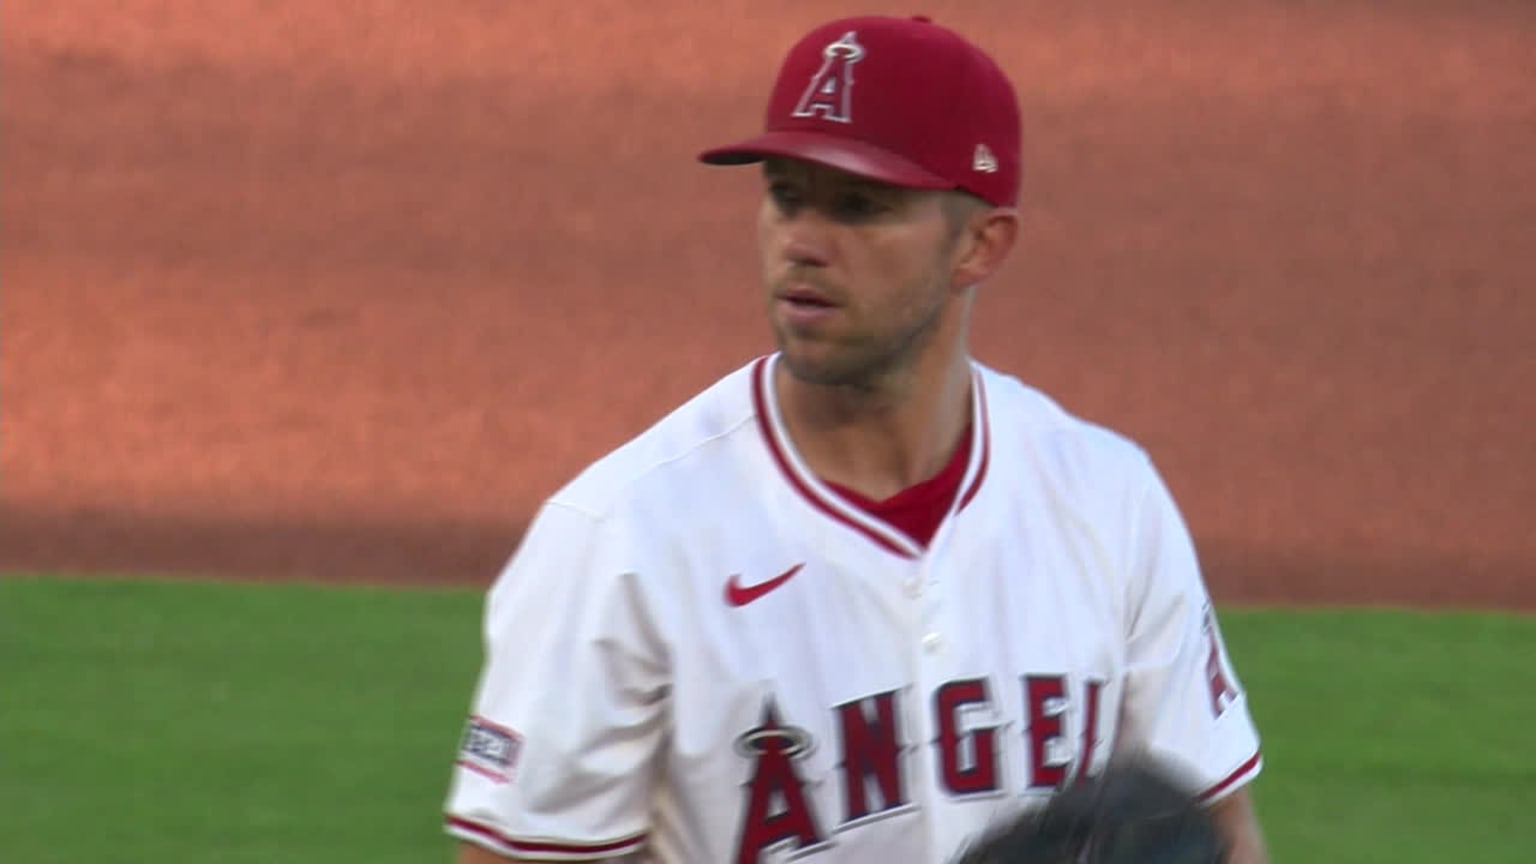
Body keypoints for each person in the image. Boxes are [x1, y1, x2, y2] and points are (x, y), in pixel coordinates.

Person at [443, 14, 1268, 864]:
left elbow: (1221, 835)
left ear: (979, 246)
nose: (803, 242)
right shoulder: (620, 540)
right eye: (786, 196)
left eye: (860, 208)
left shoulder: (1107, 499)